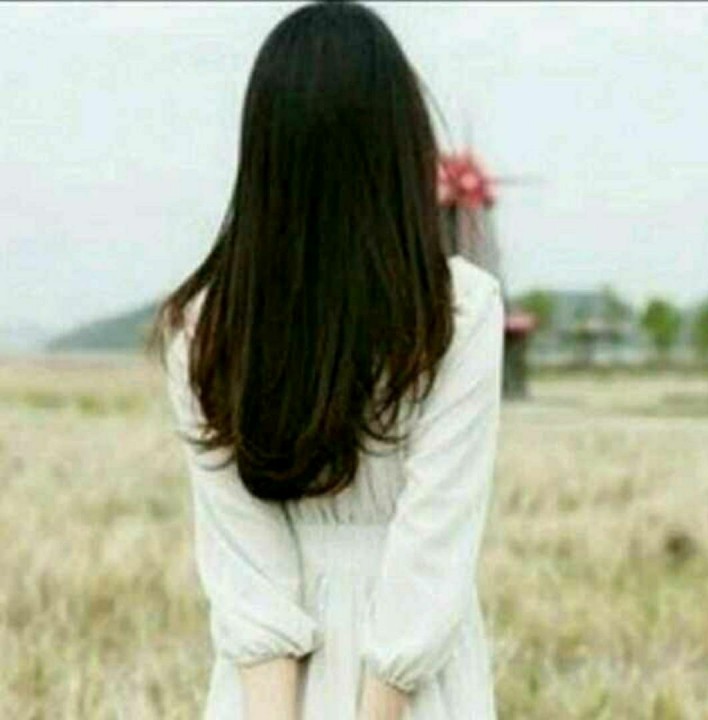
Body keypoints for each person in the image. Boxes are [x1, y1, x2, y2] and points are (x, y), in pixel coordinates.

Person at [149, 2, 505, 718]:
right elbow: (429, 552)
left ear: (263, 154)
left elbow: (249, 574)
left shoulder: (206, 328)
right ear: (401, 144)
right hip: (415, 691)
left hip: (264, 692)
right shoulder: (458, 311)